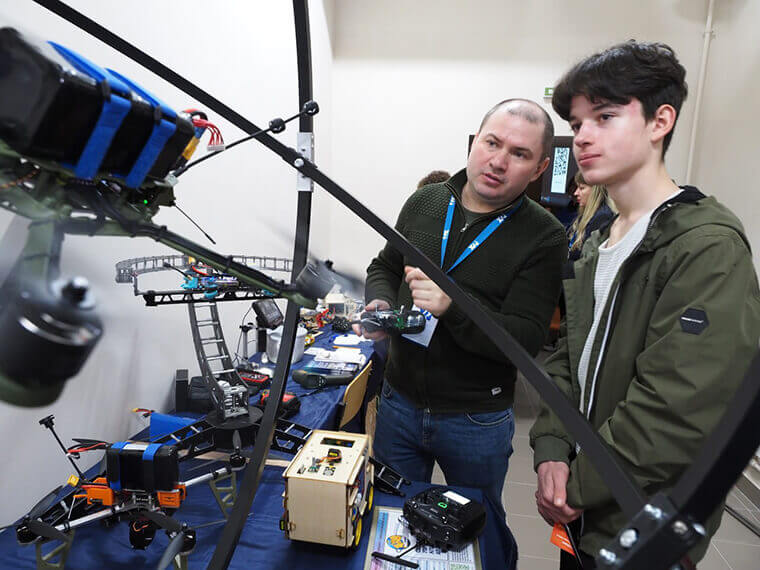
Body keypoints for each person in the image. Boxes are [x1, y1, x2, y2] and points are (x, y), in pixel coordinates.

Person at [529, 40, 760, 568]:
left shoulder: (706, 246)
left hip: (639, 521)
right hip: (581, 514)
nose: (582, 135)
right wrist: (551, 451)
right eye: (577, 122)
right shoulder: (599, 243)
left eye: (605, 116)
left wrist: (577, 483)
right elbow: (568, 360)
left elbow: (678, 408)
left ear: (660, 121)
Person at [356, 98, 567, 517]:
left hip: (475, 419)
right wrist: (380, 301)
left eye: (519, 154)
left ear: (539, 168)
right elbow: (385, 266)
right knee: (391, 515)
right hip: (398, 403)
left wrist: (453, 308)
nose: (498, 161)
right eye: (492, 143)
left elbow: (525, 340)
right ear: (475, 143)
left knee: (476, 524)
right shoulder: (425, 202)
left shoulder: (545, 236)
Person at [566, 171, 616, 262]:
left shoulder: (602, 217)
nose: (575, 193)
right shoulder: (584, 215)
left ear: (595, 190)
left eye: (581, 188)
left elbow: (587, 262)